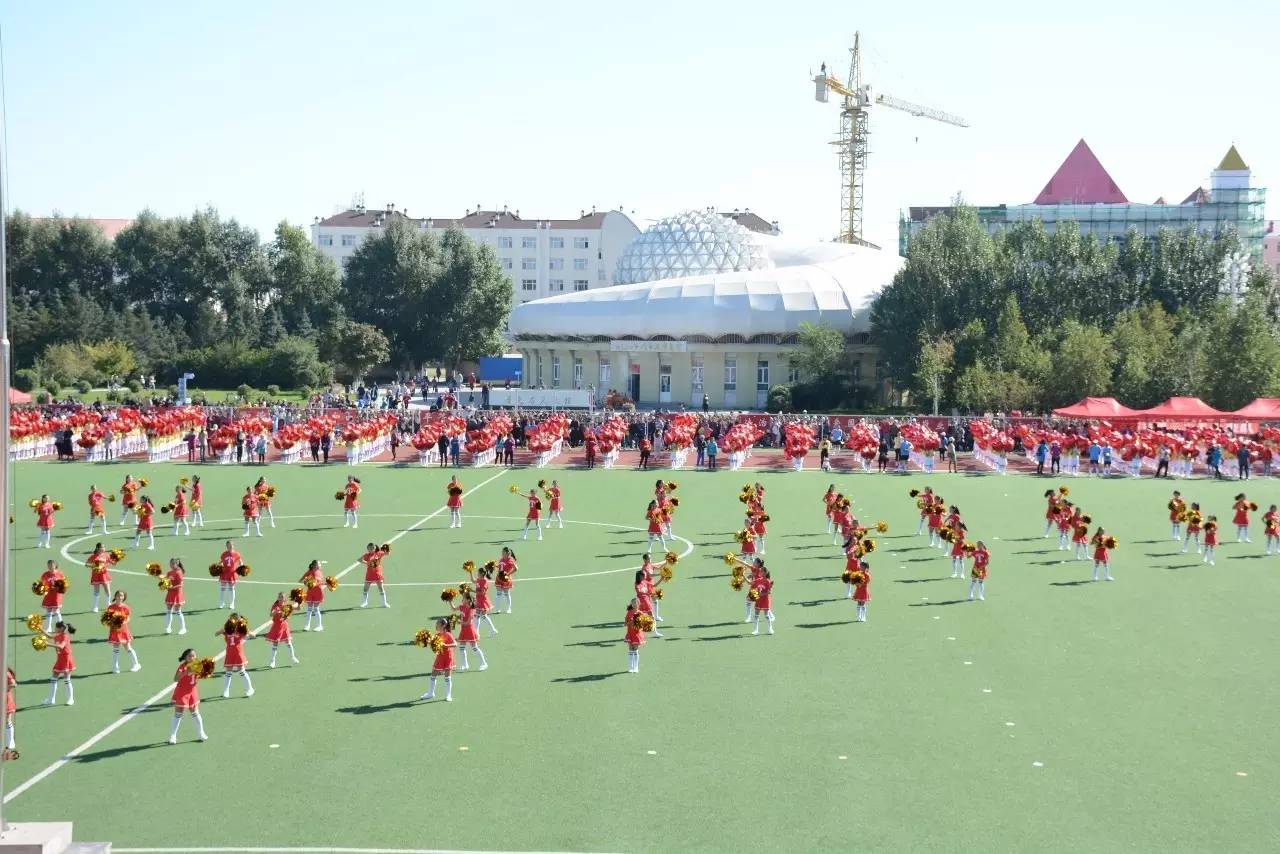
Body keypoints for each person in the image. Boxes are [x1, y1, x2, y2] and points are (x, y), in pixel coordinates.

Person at [168, 649, 208, 743]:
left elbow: (203, 674)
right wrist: (186, 672)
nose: (192, 657)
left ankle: (201, 733)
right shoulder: (182, 667)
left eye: (194, 655)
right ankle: (173, 736)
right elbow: (175, 679)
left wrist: (206, 671)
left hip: (192, 692)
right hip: (182, 692)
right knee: (178, 713)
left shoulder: (198, 665)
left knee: (195, 712)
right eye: (190, 656)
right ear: (185, 657)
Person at [418, 617, 457, 702]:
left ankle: (448, 695)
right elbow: (433, 643)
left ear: (443, 625)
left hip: (448, 657)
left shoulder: (448, 634)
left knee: (447, 677)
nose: (436, 625)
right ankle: (430, 693)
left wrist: (445, 645)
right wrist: (425, 640)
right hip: (440, 657)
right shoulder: (437, 635)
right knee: (433, 675)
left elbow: (455, 644)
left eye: (437, 623)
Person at [103, 590, 142, 673]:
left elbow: (128, 618)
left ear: (124, 597)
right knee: (115, 648)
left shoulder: (126, 607)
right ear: (115, 596)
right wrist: (111, 622)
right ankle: (115, 667)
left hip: (123, 630)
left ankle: (136, 664)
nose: (120, 597)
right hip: (114, 630)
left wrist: (122, 622)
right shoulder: (111, 607)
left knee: (127, 647)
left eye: (121, 596)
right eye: (118, 595)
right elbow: (107, 618)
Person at [450, 589, 488, 671]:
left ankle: (484, 663)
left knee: (474, 648)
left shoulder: (471, 609)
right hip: (463, 631)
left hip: (470, 630)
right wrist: (450, 600)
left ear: (467, 600)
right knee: (462, 648)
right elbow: (453, 609)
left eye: (463, 598)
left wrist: (458, 622)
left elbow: (468, 622)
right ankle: (465, 665)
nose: (462, 600)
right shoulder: (462, 606)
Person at [43, 622, 76, 706]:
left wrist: (47, 644)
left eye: (56, 627)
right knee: (53, 677)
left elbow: (61, 646)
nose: (55, 629)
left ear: (61, 628)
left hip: (66, 659)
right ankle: (51, 699)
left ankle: (70, 699)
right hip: (60, 659)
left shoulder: (65, 636)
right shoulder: (58, 634)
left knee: (67, 679)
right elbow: (49, 636)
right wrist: (39, 628)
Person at [265, 592, 299, 667]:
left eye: (282, 597)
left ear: (285, 599)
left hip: (284, 626)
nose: (281, 598)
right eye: (279, 597)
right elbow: (271, 614)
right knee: (275, 643)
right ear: (278, 598)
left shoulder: (287, 605)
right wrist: (277, 612)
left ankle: (293, 657)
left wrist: (297, 602)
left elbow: (297, 607)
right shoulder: (275, 605)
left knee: (288, 642)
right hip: (276, 627)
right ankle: (272, 661)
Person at [360, 543, 390, 608]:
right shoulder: (366, 555)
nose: (370, 549)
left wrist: (387, 549)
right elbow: (359, 560)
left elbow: (387, 553)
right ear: (367, 549)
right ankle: (365, 602)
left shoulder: (378, 553)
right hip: (369, 575)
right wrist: (367, 562)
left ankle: (384, 603)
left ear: (374, 548)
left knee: (381, 588)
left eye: (372, 548)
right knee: (365, 589)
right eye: (369, 548)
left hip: (377, 574)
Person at [40, 559, 67, 632]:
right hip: (48, 594)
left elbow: (64, 583)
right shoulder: (45, 574)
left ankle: (62, 627)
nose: (50, 566)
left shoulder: (60, 574)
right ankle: (49, 628)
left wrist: (60, 588)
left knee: (56, 610)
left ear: (55, 565)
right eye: (48, 565)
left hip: (56, 595)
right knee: (48, 610)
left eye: (51, 565)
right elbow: (42, 583)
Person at [85, 543, 113, 612]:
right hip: (96, 574)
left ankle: (108, 604)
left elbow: (112, 562)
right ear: (98, 548)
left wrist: (116, 559)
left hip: (104, 574)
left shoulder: (106, 555)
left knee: (107, 589)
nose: (104, 548)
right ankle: (95, 606)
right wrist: (94, 566)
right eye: (102, 547)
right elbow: (86, 564)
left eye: (104, 547)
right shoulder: (93, 556)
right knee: (96, 591)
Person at [163, 558, 188, 635]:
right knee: (169, 610)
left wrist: (172, 587)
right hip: (170, 593)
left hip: (177, 594)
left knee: (178, 611)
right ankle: (168, 627)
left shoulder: (179, 572)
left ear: (176, 564)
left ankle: (183, 628)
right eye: (170, 564)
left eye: (172, 564)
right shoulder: (169, 572)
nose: (171, 565)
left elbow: (181, 584)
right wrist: (164, 585)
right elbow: (166, 581)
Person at [301, 560, 327, 631]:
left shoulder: (320, 573)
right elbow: (304, 578)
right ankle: (307, 625)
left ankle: (319, 626)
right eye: (319, 564)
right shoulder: (310, 571)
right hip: (310, 592)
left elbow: (321, 582)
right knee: (309, 609)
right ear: (315, 565)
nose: (320, 565)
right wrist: (305, 582)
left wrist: (326, 584)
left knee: (316, 609)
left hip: (318, 592)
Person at [474, 562, 499, 636]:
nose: (477, 574)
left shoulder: (485, 581)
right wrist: (470, 572)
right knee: (478, 616)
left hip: (482, 601)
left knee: (482, 616)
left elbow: (482, 592)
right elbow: (473, 580)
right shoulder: (479, 579)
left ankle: (492, 630)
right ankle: (479, 632)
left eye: (478, 573)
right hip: (479, 600)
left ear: (481, 573)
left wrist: (472, 591)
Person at [624, 598, 647, 673]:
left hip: (637, 634)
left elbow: (643, 625)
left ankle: (636, 667)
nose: (634, 605)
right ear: (631, 604)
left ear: (639, 604)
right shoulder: (629, 612)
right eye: (633, 603)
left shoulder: (641, 613)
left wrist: (638, 624)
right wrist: (631, 622)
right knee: (631, 649)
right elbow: (625, 624)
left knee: (635, 650)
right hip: (630, 633)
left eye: (636, 603)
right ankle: (631, 667)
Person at [217, 540, 242, 609]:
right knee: (222, 588)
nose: (230, 547)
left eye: (231, 545)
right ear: (226, 546)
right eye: (228, 546)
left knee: (231, 588)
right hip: (224, 573)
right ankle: (221, 602)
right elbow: (221, 562)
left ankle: (232, 603)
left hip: (232, 574)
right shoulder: (224, 554)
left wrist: (242, 568)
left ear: (233, 546)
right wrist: (219, 565)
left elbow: (240, 562)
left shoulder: (237, 554)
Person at [749, 567, 775, 636]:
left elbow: (769, 592)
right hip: (758, 600)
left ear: (765, 573)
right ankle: (756, 630)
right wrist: (743, 576)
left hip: (765, 600)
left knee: (766, 615)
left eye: (761, 571)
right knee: (756, 615)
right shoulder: (758, 580)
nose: (760, 572)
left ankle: (770, 629)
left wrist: (761, 594)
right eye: (760, 571)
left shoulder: (768, 581)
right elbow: (751, 584)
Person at [494, 547, 518, 614]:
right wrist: (494, 566)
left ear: (507, 553)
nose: (501, 553)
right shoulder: (501, 559)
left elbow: (516, 568)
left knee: (506, 594)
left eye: (503, 552)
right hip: (499, 578)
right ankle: (497, 609)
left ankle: (509, 609)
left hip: (506, 579)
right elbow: (500, 567)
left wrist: (508, 574)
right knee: (498, 594)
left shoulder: (511, 560)